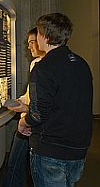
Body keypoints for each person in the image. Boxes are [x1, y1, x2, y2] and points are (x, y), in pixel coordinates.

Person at [18, 13, 93, 187]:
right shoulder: (81, 64)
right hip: (78, 149)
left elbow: (38, 114)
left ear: (45, 36)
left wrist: (23, 122)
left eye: (38, 32)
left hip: (51, 150)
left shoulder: (43, 68)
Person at [3, 27, 45, 187]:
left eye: (32, 42)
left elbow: (43, 105)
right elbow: (30, 95)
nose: (29, 47)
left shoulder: (44, 67)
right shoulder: (35, 63)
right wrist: (17, 101)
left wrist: (25, 113)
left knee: (16, 165)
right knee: (16, 164)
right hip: (28, 122)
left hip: (32, 124)